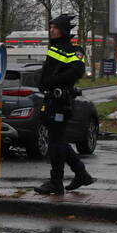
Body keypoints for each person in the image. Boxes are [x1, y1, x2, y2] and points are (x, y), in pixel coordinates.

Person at [35, 15, 95, 195]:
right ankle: (81, 173)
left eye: (55, 27)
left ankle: (56, 182)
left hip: (61, 102)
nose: (51, 30)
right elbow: (47, 72)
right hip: (51, 100)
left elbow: (77, 70)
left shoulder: (74, 50)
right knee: (58, 140)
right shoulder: (53, 48)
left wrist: (53, 82)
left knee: (56, 143)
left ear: (64, 30)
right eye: (50, 27)